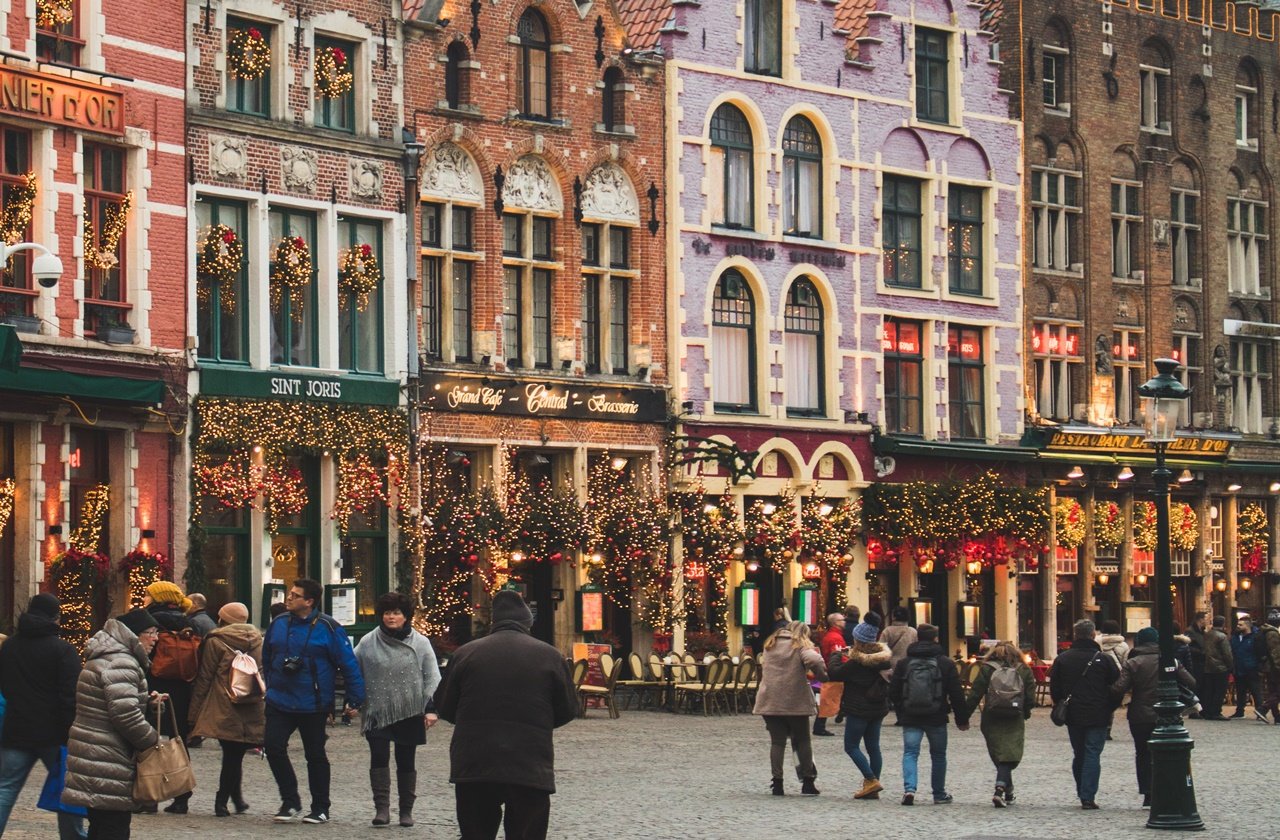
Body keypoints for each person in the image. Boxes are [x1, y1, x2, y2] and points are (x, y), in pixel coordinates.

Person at [434, 589, 576, 840]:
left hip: (475, 760)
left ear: (494, 622)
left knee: (476, 833)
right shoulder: (550, 656)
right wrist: (538, 723)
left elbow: (445, 706)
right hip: (529, 762)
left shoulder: (465, 654)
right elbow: (567, 710)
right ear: (527, 623)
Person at [262, 578, 366, 825]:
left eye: (295, 595)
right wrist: (271, 684)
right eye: (289, 593)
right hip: (280, 700)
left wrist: (355, 697)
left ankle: (320, 807)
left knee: (315, 755)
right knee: (273, 747)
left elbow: (348, 663)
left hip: (313, 702)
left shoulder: (328, 628)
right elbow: (267, 657)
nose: (289, 598)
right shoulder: (278, 623)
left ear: (309, 601)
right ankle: (290, 800)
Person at [62, 609, 163, 840]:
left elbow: (112, 703)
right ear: (134, 635)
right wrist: (152, 741)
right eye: (152, 632)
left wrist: (147, 701)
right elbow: (125, 714)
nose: (155, 638)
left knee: (100, 826)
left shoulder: (109, 657)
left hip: (96, 752)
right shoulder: (121, 662)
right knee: (113, 828)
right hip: (107, 755)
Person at [0, 594, 85, 840]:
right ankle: (74, 837)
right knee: (68, 791)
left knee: (5, 789)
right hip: (54, 732)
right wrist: (71, 732)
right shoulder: (63, 649)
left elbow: (4, 687)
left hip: (17, 728)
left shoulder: (11, 647)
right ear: (55, 616)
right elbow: (70, 696)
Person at [353, 592, 442, 828]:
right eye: (387, 613)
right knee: (379, 757)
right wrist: (354, 702)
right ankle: (382, 809)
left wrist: (430, 709)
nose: (391, 617)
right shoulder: (368, 641)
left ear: (406, 616)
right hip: (377, 710)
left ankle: (406, 811)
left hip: (410, 709)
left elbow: (430, 676)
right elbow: (355, 670)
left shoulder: (420, 642)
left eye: (396, 613)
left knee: (406, 760)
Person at [187, 602, 263, 817]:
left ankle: (222, 801)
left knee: (230, 753)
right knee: (235, 754)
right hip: (251, 701)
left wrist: (194, 712)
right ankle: (236, 799)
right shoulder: (257, 639)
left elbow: (205, 676)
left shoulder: (216, 640)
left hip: (224, 702)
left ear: (223, 619)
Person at [1111, 626, 1196, 807]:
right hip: (1166, 714)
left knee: (1142, 754)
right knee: (1167, 753)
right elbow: (1191, 681)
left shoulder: (1133, 663)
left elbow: (1119, 688)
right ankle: (1167, 789)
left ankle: (1148, 792)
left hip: (1139, 715)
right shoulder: (1169, 661)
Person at [888, 623, 969, 806]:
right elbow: (956, 693)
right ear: (936, 639)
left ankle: (909, 789)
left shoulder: (904, 663)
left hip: (911, 715)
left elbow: (893, 691)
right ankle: (939, 794)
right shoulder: (945, 663)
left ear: (917, 639)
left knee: (910, 752)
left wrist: (902, 709)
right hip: (936, 716)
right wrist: (961, 719)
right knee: (938, 755)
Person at [1049, 619, 1121, 809]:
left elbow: (1055, 688)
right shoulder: (1103, 659)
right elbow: (1117, 687)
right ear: (1092, 635)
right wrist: (1110, 707)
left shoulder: (1063, 659)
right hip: (1098, 713)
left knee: (1079, 753)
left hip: (1073, 713)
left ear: (1075, 635)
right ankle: (1087, 795)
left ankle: (1083, 790)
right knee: (1092, 753)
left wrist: (1061, 704)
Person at [140, 580, 197, 814]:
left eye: (147, 594)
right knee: (178, 742)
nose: (144, 598)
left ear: (158, 597)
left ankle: (149, 797)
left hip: (153, 688)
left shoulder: (147, 621)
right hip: (181, 691)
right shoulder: (189, 624)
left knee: (147, 742)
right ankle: (182, 796)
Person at [752, 620, 827, 796]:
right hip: (794, 700)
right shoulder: (799, 644)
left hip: (770, 699)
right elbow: (814, 659)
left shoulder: (770, 643)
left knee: (777, 742)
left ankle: (777, 783)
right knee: (802, 740)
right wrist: (822, 675)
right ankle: (808, 781)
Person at [963, 640, 1035, 808]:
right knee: (1009, 755)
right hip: (1014, 716)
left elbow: (975, 693)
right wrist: (1026, 712)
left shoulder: (987, 668)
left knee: (999, 754)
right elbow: (1030, 696)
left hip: (991, 716)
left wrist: (964, 716)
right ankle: (1001, 789)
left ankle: (1006, 790)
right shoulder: (1023, 669)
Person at [826, 620, 891, 800]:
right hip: (878, 708)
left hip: (858, 708)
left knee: (851, 746)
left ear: (859, 640)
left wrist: (836, 655)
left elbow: (835, 673)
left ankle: (871, 780)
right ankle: (872, 786)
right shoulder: (883, 659)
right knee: (873, 747)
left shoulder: (857, 662)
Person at [881, 607, 917, 725]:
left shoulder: (887, 631)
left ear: (894, 617)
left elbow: (881, 648)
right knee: (907, 690)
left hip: (892, 665)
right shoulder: (912, 631)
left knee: (895, 691)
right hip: (909, 664)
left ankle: (899, 714)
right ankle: (908, 713)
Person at [814, 613, 847, 736]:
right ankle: (820, 725)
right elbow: (837, 655)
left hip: (832, 669)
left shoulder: (833, 635)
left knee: (831, 697)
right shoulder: (835, 638)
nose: (844, 621)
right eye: (842, 620)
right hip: (835, 670)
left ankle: (842, 710)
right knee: (829, 698)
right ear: (836, 622)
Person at [1230, 616, 1265, 720]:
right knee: (1240, 691)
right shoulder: (1236, 637)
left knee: (1255, 691)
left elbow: (1260, 652)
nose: (1238, 626)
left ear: (1248, 625)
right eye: (1238, 624)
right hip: (1239, 667)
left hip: (1252, 668)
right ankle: (1240, 711)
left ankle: (1259, 711)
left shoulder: (1256, 636)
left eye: (1241, 625)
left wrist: (1259, 666)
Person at [1199, 615, 1233, 720]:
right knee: (1219, 690)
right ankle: (1216, 711)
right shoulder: (1222, 636)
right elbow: (1227, 654)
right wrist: (1230, 666)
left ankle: (1208, 711)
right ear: (1223, 624)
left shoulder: (1207, 635)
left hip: (1208, 666)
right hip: (1220, 667)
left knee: (1209, 690)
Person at [1258, 612, 1280, 722]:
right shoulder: (1272, 633)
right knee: (1277, 692)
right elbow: (1275, 652)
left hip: (1267, 666)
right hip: (1273, 667)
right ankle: (1263, 708)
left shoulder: (1264, 631)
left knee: (1273, 691)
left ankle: (1277, 716)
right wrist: (1278, 666)